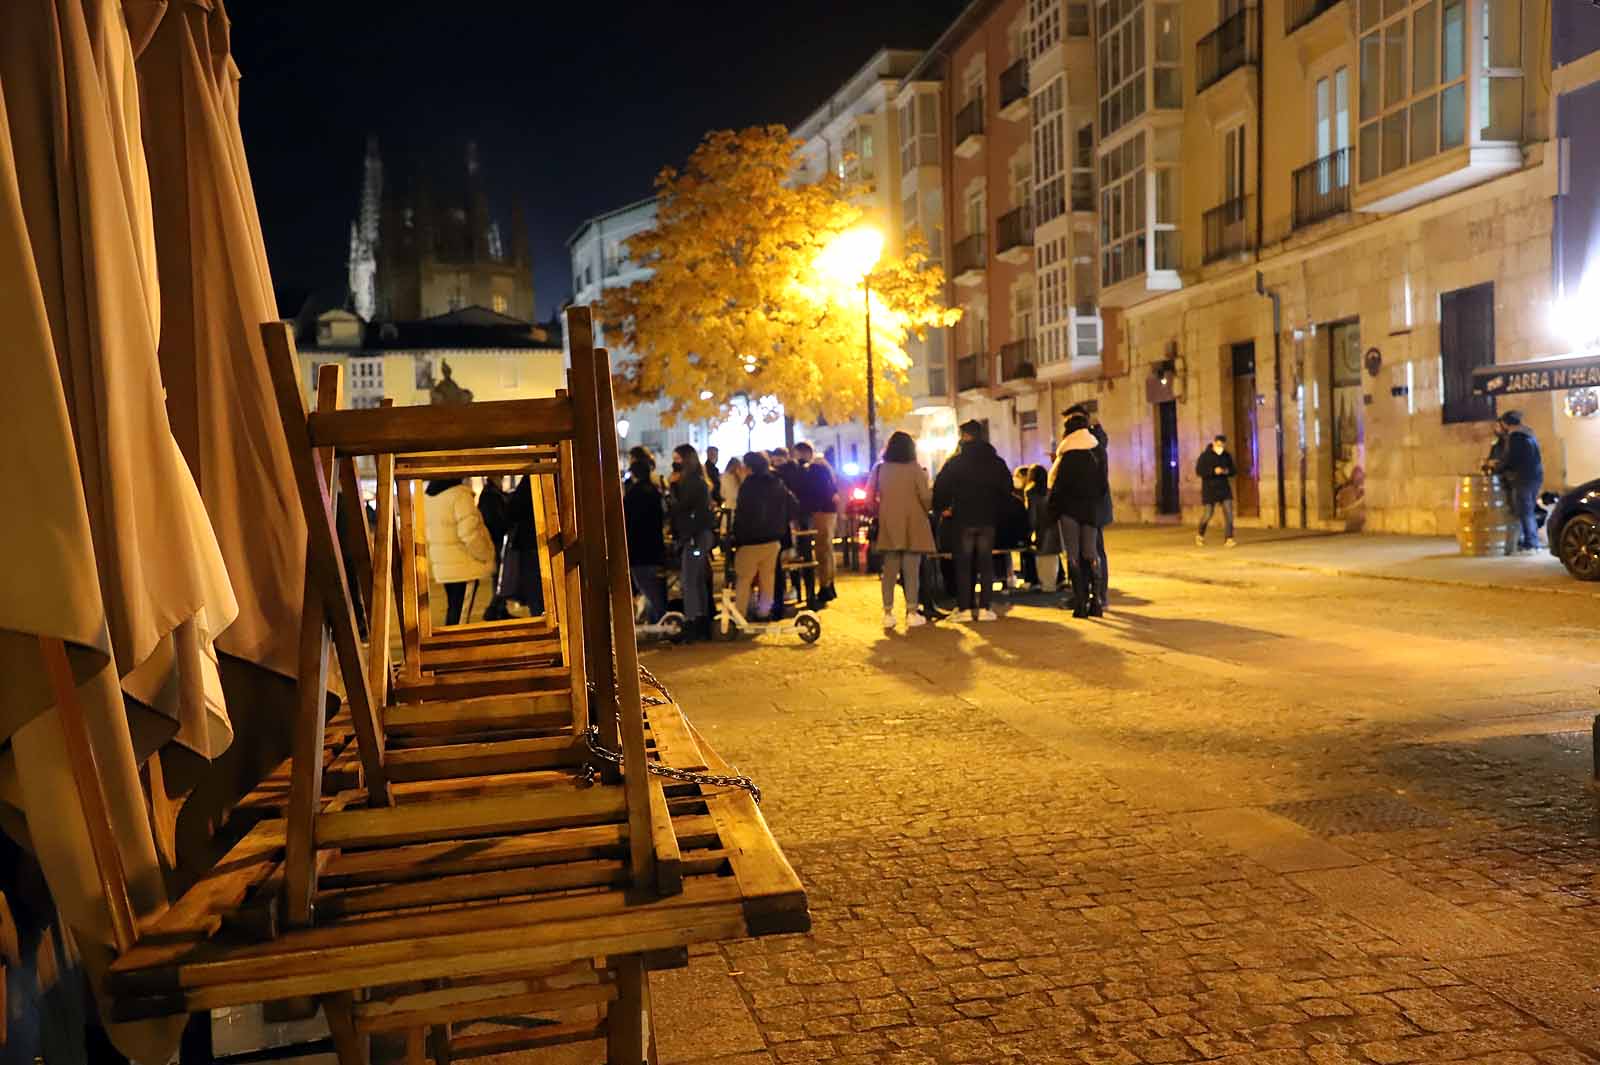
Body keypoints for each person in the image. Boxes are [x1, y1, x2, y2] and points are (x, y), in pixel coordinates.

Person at [932, 420, 1014, 622]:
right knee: (986, 563)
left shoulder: (956, 462)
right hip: (987, 518)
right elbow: (1007, 488)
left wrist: (942, 508)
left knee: (964, 564)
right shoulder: (996, 462)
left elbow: (941, 487)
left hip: (964, 518)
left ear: (965, 436)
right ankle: (985, 608)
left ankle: (965, 608)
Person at [869, 431, 936, 630]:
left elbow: (869, 496)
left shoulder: (880, 469)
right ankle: (912, 612)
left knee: (889, 570)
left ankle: (888, 612)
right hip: (913, 521)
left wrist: (880, 511)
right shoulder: (915, 468)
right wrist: (926, 510)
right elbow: (925, 496)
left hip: (889, 520)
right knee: (912, 570)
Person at [1048, 413, 1110, 618]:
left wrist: (1051, 512)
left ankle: (1081, 603)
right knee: (1091, 553)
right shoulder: (1097, 451)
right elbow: (1103, 484)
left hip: (1069, 511)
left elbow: (1057, 487)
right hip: (1090, 510)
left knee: (1073, 556)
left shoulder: (1066, 453)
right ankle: (1097, 601)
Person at [730, 451, 798, 622]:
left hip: (750, 540)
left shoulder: (748, 486)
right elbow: (793, 506)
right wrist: (781, 523)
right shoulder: (777, 482)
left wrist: (736, 536)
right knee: (768, 578)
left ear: (750, 467)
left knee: (744, 578)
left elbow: (742, 514)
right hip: (773, 539)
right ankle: (764, 612)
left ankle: (740, 614)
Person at [424, 477, 496, 625]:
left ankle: (450, 645)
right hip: (465, 565)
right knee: (460, 616)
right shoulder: (460, 495)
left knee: (454, 610)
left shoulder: (429, 497)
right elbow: (470, 534)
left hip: (445, 564)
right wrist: (486, 554)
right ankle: (454, 647)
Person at [1065, 404, 1113, 608]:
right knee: (1090, 550)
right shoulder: (1093, 441)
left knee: (1092, 550)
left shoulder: (1091, 442)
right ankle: (1093, 595)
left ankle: (1095, 595)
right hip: (1093, 505)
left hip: (1090, 506)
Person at [668, 444, 717, 640]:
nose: (675, 463)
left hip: (694, 537)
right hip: (698, 535)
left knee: (689, 581)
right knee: (697, 580)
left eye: (677, 459)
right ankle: (701, 619)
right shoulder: (697, 481)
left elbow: (682, 508)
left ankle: (693, 621)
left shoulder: (691, 483)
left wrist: (672, 488)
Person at [792, 442, 840, 607]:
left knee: (822, 549)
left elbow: (817, 490)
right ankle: (829, 584)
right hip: (827, 509)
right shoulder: (822, 466)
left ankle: (825, 586)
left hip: (821, 510)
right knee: (826, 548)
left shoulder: (815, 468)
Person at [1490, 410, 1544, 551]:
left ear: (1506, 423)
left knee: (1524, 511)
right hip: (1534, 477)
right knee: (1528, 510)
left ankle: (1531, 544)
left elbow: (1511, 459)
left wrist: (1496, 468)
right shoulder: (1529, 434)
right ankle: (1528, 541)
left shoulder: (1516, 437)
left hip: (1522, 478)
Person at [624, 459, 668, 623]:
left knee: (646, 586)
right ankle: (656, 618)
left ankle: (660, 619)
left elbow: (626, 521)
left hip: (638, 547)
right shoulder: (654, 492)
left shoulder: (633, 494)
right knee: (654, 585)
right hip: (655, 545)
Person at [1195, 434, 1238, 548]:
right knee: (1208, 514)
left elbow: (1233, 470)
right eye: (1218, 445)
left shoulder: (1226, 455)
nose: (1220, 447)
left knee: (1229, 513)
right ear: (1214, 443)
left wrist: (1226, 471)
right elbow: (1199, 471)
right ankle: (1200, 534)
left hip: (1224, 488)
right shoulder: (1205, 456)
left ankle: (1229, 538)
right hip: (1209, 489)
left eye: (1222, 445)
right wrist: (1213, 471)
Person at [1025, 465, 1062, 592]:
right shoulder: (1050, 492)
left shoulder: (1031, 493)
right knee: (1052, 558)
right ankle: (1051, 583)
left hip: (1041, 530)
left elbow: (1032, 516)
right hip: (1053, 528)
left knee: (1042, 558)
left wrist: (1029, 533)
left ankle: (1045, 584)